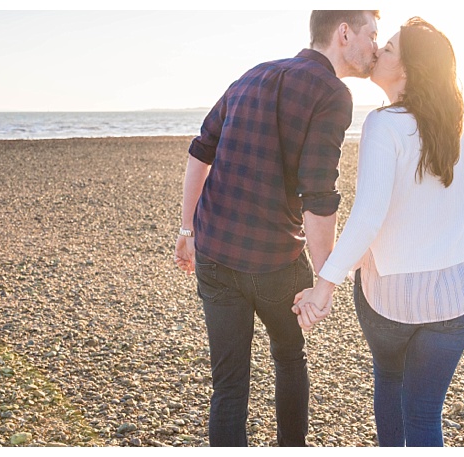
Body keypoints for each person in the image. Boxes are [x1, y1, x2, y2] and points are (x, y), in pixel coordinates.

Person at [173, 10, 380, 447]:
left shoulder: (254, 74)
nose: (376, 47)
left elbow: (200, 150)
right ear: (344, 33)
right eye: (372, 34)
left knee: (228, 384)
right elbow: (318, 192)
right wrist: (326, 276)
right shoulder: (333, 92)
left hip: (213, 249)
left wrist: (187, 229)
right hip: (275, 263)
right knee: (288, 358)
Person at [292, 17, 464, 447]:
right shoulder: (456, 127)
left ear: (408, 72)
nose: (379, 52)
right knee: (424, 413)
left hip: (392, 300)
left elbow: (368, 215)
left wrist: (324, 287)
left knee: (391, 380)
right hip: (457, 294)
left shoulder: (383, 124)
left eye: (391, 48)